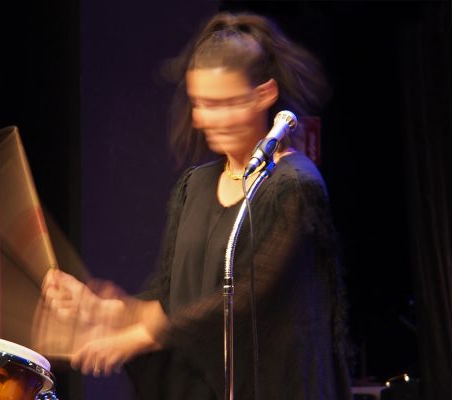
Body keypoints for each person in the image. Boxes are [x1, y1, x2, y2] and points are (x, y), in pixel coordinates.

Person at [43, 11, 351, 400]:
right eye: (201, 104)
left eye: (226, 103)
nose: (209, 119)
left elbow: (247, 303)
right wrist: (105, 309)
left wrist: (143, 335)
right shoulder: (195, 186)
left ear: (265, 94)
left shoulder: (294, 185)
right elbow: (173, 298)